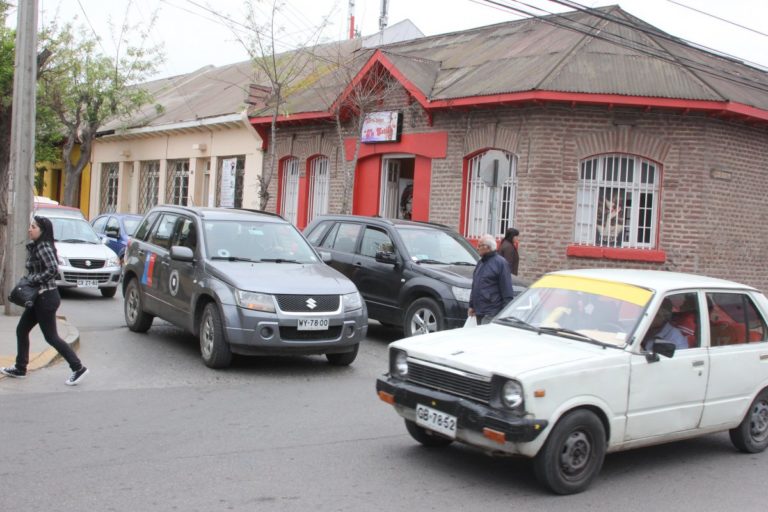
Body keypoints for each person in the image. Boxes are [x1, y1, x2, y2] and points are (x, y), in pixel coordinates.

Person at [1, 216, 89, 385]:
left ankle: (78, 368)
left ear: (42, 231)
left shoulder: (43, 246)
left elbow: (53, 269)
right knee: (22, 330)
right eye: (30, 226)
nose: (29, 229)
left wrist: (33, 280)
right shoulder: (37, 245)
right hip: (39, 298)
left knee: (51, 337)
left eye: (33, 227)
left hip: (46, 298)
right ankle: (20, 368)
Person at [468, 234, 515, 325]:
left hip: (492, 312)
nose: (477, 248)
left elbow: (507, 290)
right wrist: (472, 305)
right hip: (479, 311)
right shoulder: (481, 262)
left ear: (488, 247)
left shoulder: (501, 263)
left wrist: (504, 314)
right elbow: (475, 285)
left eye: (479, 245)